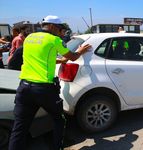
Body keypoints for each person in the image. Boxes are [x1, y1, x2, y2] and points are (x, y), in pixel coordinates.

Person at [8, 15, 92, 150]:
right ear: (52, 26)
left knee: (19, 128)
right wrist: (80, 51)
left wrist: (61, 61)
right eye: (60, 29)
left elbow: (40, 57)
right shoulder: (54, 40)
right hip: (43, 89)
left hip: (24, 88)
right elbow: (73, 57)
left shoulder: (29, 38)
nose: (60, 32)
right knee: (59, 120)